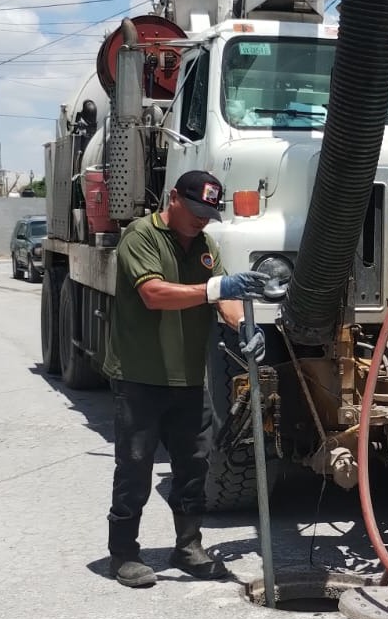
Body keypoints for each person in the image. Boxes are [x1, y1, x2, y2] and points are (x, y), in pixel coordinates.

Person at [102, 170, 270, 588]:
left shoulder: (206, 246)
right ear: (173, 198)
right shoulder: (141, 236)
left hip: (188, 378)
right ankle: (124, 553)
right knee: (135, 467)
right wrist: (213, 290)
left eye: (209, 214)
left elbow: (224, 298)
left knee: (194, 464)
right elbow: (154, 294)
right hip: (141, 376)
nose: (202, 220)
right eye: (195, 210)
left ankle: (188, 546)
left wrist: (243, 328)